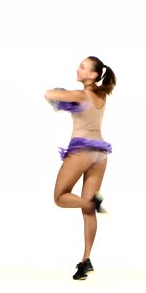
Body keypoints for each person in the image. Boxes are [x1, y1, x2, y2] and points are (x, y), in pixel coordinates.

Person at [44, 56, 116, 280]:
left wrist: (58, 95)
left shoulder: (81, 94)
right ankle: (85, 261)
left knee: (60, 197)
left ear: (94, 75)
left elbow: (49, 94)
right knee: (88, 213)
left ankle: (90, 202)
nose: (78, 69)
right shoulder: (101, 94)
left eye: (83, 67)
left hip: (82, 150)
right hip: (100, 153)